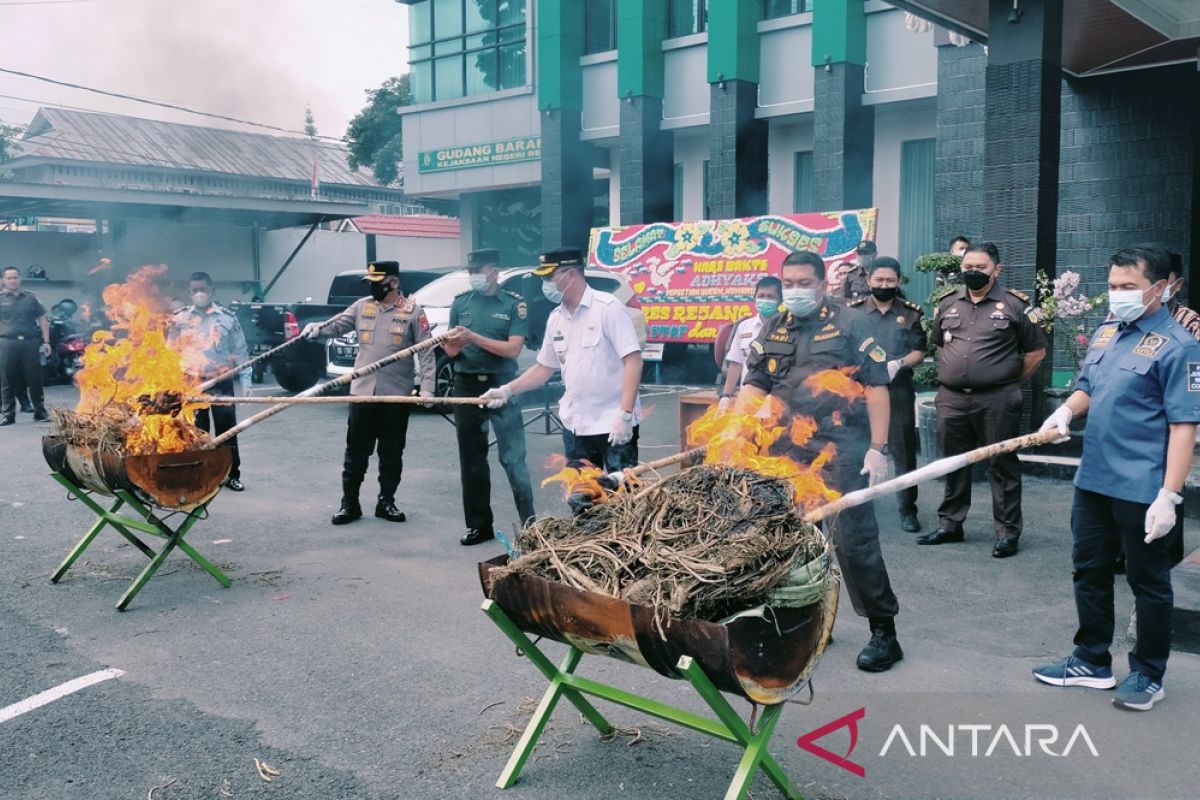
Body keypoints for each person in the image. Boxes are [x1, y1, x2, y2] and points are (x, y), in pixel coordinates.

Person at [1033, 246, 1200, 712]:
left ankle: (1148, 674)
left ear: (1164, 287)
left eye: (1128, 287)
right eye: (1111, 286)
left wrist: (1170, 496)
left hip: (1143, 487)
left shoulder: (1181, 345)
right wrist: (1065, 411)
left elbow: (1185, 426)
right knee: (1088, 570)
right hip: (1094, 479)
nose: (1117, 295)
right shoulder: (1107, 331)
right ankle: (1091, 660)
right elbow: (1088, 385)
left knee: (1148, 583)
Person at [741, 250, 904, 672]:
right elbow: (755, 384)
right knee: (790, 538)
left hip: (842, 446)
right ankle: (806, 621)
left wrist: (878, 447)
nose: (795, 291)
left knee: (853, 540)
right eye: (788, 284)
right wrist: (737, 433)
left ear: (821, 283)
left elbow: (876, 386)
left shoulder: (853, 322)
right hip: (785, 450)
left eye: (803, 284)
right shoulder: (774, 326)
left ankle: (883, 631)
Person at [921, 242, 1047, 558]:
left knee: (1001, 463)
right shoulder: (947, 304)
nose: (973, 273)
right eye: (968, 267)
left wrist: (1005, 381)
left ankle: (1007, 533)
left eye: (980, 268)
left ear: (996, 270)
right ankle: (950, 524)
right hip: (951, 400)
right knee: (953, 462)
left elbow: (1035, 352)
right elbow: (939, 344)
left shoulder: (1017, 305)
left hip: (998, 400)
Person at [482, 248, 643, 472]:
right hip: (576, 426)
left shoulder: (607, 308)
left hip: (613, 424)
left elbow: (633, 361)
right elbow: (543, 368)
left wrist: (625, 414)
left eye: (549, 277)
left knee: (621, 498)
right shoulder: (556, 319)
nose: (545, 284)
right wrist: (507, 390)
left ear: (571, 275)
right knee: (582, 501)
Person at [302, 261, 435, 525]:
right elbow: (337, 325)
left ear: (393, 283)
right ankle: (349, 504)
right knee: (356, 453)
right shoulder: (362, 306)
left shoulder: (413, 312)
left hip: (395, 396)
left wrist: (428, 389)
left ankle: (386, 502)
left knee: (391, 453)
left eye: (378, 282)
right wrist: (316, 329)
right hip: (363, 393)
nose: (373, 286)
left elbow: (427, 350)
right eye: (371, 282)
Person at [443, 248, 536, 547]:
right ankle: (479, 525)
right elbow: (451, 351)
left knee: (513, 457)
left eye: (479, 271)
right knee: (471, 458)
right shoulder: (460, 303)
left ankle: (530, 525)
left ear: (494, 271)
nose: (474, 277)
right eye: (471, 272)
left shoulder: (513, 305)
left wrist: (474, 338)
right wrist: (454, 345)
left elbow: (513, 350)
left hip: (503, 384)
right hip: (467, 385)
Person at [849, 256, 927, 532]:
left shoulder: (911, 313)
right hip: (860, 391)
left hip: (898, 390)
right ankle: (858, 508)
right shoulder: (853, 313)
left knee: (903, 451)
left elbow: (920, 350)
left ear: (898, 282)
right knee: (857, 447)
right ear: (869, 280)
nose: (884, 285)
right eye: (879, 280)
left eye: (890, 280)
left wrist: (901, 363)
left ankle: (907, 509)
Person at [168, 272, 251, 491]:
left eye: (203, 289)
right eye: (195, 290)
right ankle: (199, 476)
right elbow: (170, 352)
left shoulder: (227, 318)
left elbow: (241, 351)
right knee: (195, 432)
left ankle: (231, 475)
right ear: (189, 292)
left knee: (228, 431)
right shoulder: (180, 319)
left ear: (212, 290)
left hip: (221, 381)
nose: (199, 294)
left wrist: (246, 382)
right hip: (191, 382)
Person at [718, 276, 783, 411]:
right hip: (748, 401)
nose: (765, 300)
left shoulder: (788, 326)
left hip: (777, 402)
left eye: (771, 297)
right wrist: (726, 395)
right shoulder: (744, 326)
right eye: (761, 296)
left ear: (780, 300)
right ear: (755, 297)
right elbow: (736, 363)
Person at [0, 265, 51, 425]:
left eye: (15, 277)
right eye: (9, 278)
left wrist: (46, 342)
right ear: (3, 281)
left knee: (35, 378)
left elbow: (43, 319)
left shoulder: (31, 298)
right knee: (7, 379)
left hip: (30, 343)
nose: (12, 280)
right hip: (7, 343)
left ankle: (40, 412)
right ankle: (8, 415)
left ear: (20, 279)